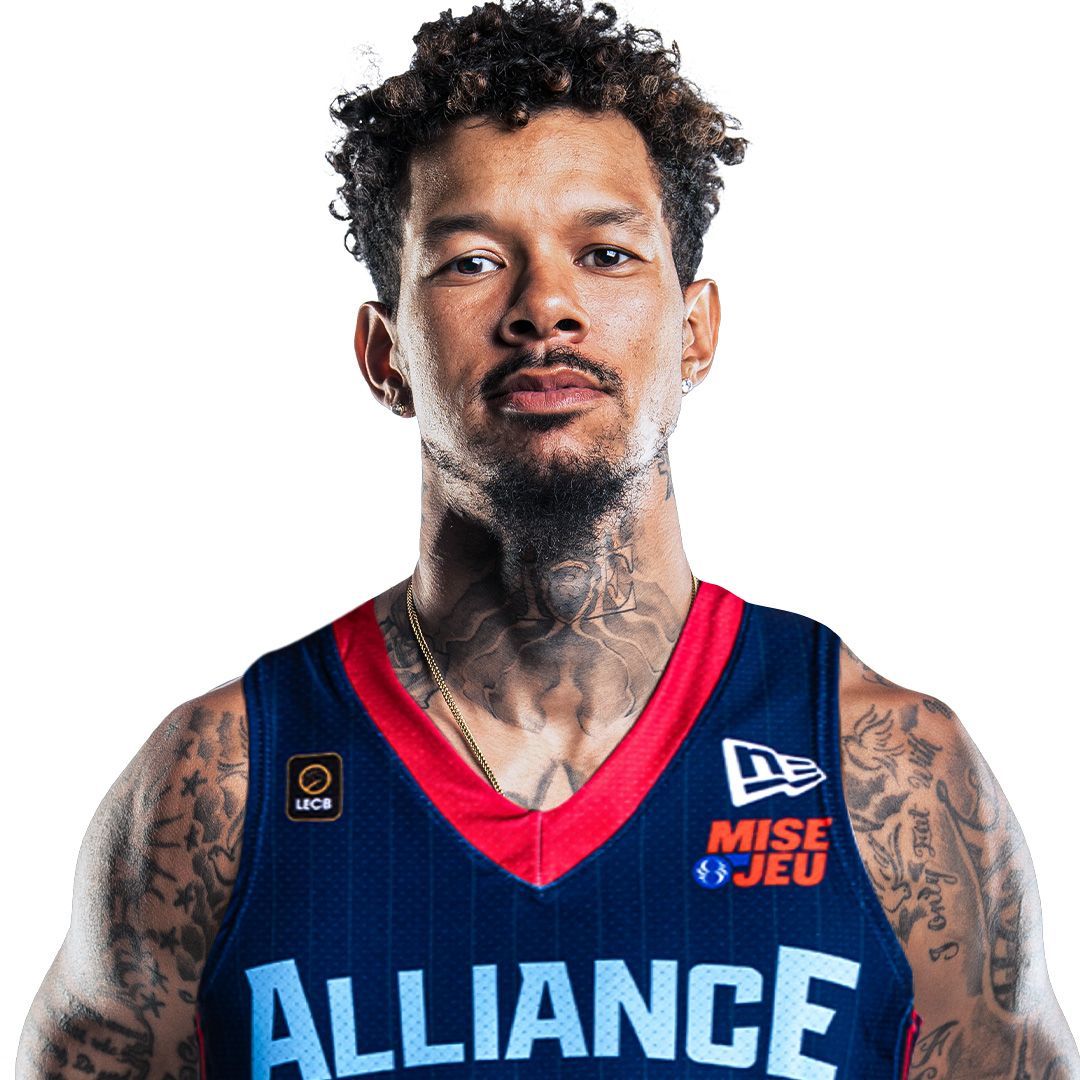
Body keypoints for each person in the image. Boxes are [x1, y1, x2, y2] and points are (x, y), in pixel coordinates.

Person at [16, 1, 1078, 1077]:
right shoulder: (220, 787)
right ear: (385, 354)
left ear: (696, 330)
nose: (546, 307)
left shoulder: (886, 771)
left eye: (607, 254)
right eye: (472, 261)